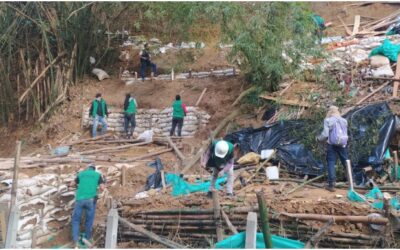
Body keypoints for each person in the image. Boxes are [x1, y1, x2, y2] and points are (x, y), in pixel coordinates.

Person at [71, 164, 105, 248]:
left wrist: (77, 185)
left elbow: (72, 184)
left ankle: (75, 240)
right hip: (90, 200)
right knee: (89, 220)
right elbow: (102, 188)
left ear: (88, 168)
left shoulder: (81, 174)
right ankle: (87, 238)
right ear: (94, 169)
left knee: (76, 220)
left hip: (79, 200)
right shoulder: (97, 175)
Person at [317, 106, 349, 192]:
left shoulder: (328, 120)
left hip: (331, 144)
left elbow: (325, 134)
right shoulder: (344, 121)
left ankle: (331, 184)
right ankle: (351, 181)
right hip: (343, 144)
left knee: (331, 162)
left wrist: (318, 139)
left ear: (330, 112)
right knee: (346, 161)